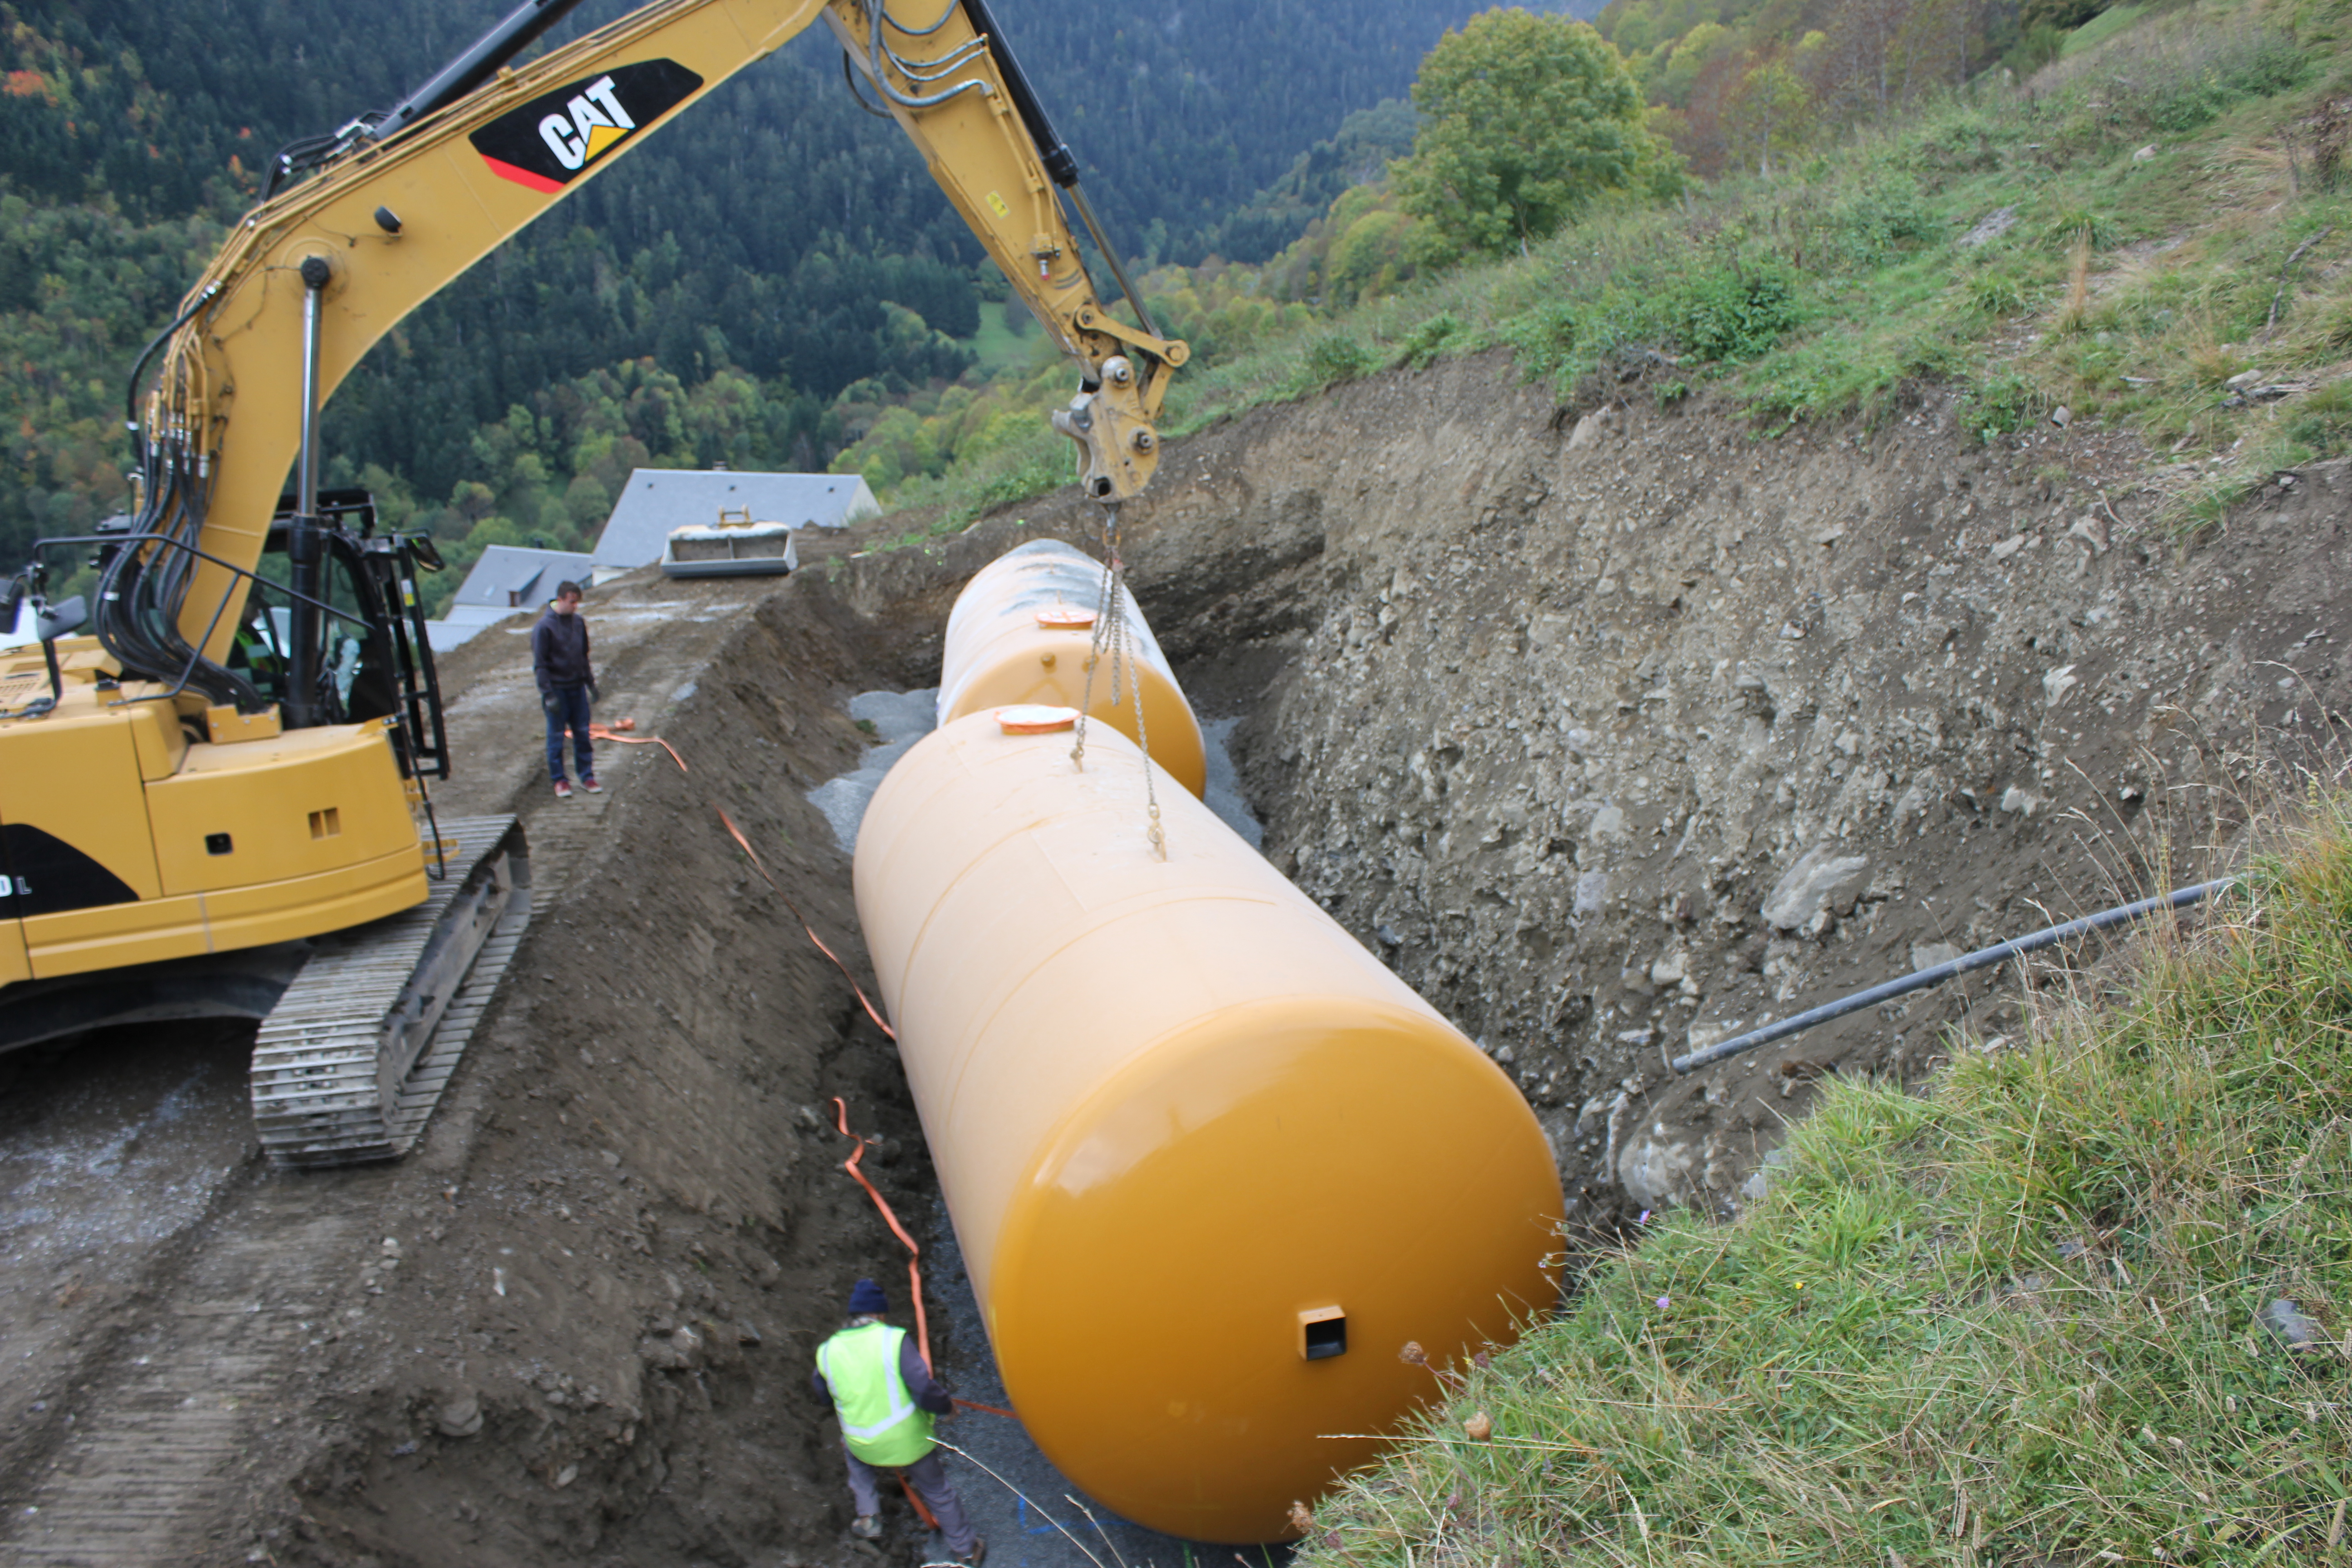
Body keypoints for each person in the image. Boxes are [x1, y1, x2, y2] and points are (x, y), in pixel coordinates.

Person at [812, 1278, 984, 1564]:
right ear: (879, 1314)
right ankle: (967, 1549)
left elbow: (822, 1393)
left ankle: (869, 1516)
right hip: (908, 1443)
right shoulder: (892, 1340)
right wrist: (946, 1408)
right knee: (936, 1490)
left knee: (854, 1461)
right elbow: (923, 1387)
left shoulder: (828, 1351)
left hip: (862, 1445)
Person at [530, 581, 598, 799]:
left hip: (577, 689)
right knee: (557, 737)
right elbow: (540, 664)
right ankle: (560, 780)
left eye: (578, 602)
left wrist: (590, 683)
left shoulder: (579, 623)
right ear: (560, 600)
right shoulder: (544, 627)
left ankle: (587, 775)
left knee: (582, 734)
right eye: (572, 602)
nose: (576, 606)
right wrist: (548, 694)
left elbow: (583, 656)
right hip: (558, 691)